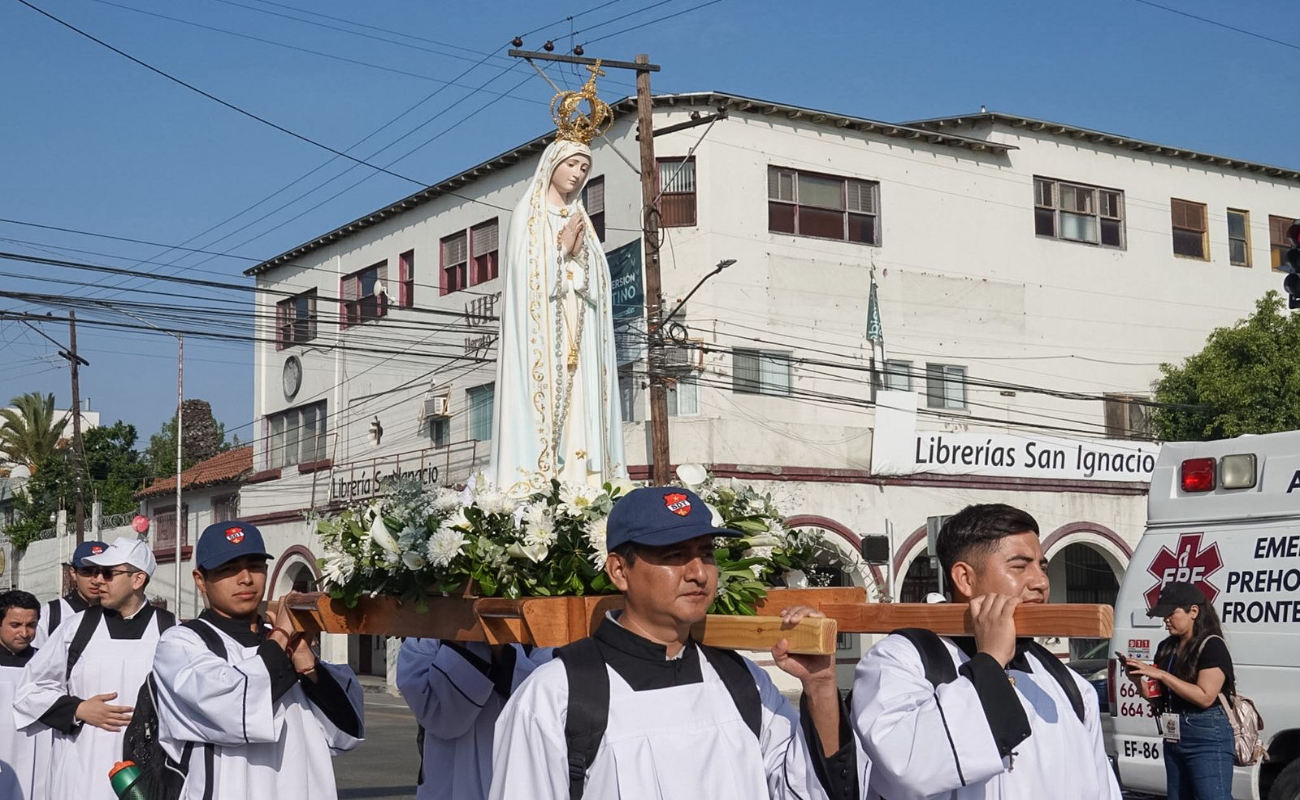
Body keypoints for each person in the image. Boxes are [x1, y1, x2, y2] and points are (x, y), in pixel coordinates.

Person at [489, 486, 865, 799]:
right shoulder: (556, 696)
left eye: (706, 553)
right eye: (674, 555)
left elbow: (806, 790)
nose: (698, 573)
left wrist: (819, 687)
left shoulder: (742, 681)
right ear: (619, 570)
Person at [852, 503, 1121, 799]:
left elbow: (1101, 789)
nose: (1041, 583)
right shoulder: (900, 661)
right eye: (1019, 566)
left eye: (1041, 567)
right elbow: (908, 770)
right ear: (966, 579)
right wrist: (991, 661)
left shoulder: (1068, 684)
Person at [151, 520, 364, 799]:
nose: (246, 579)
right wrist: (283, 632)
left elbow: (346, 734)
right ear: (200, 579)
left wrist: (307, 662)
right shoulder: (181, 643)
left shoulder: (283, 645)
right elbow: (232, 706)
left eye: (255, 566)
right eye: (227, 569)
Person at [491, 64, 626, 494]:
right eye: (572, 163)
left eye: (585, 168)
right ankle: (541, 479)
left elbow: (599, 282)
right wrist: (561, 252)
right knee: (547, 408)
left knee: (584, 409)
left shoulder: (582, 218)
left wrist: (581, 268)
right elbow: (522, 277)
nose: (578, 174)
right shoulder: (526, 216)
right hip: (543, 336)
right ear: (552, 164)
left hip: (579, 335)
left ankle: (584, 479)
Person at [13, 536, 175, 800]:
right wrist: (77, 708)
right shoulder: (75, 629)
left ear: (138, 579)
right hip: (82, 772)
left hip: (148, 774)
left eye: (109, 573)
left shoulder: (171, 630)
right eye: (96, 572)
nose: (98, 580)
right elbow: (29, 690)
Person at [396, 639, 552, 800]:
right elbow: (440, 716)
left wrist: (499, 647)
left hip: (513, 776)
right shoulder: (427, 635)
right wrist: (459, 640)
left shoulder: (541, 633)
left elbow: (543, 697)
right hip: (447, 780)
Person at [1124, 581, 1236, 799]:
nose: (1166, 620)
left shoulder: (1212, 645)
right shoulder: (1166, 647)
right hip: (1173, 734)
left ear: (1193, 611)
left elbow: (1205, 697)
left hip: (1206, 734)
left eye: (1171, 613)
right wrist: (1137, 680)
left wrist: (1163, 675)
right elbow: (1157, 698)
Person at [0, 590, 51, 799]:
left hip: (36, 758)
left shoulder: (46, 662)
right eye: (15, 625)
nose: (24, 633)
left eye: (31, 625)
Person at [32, 539, 105, 647]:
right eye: (87, 572)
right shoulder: (51, 614)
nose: (96, 580)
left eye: (104, 572)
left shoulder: (120, 613)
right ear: (73, 573)